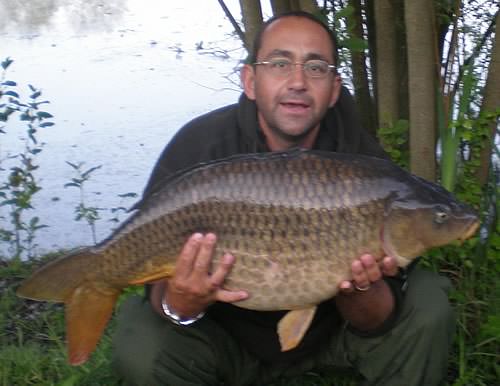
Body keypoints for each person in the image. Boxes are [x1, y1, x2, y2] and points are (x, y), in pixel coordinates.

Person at [112, 12, 455, 386]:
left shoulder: (365, 166)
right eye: (279, 63)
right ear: (250, 80)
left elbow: (375, 319)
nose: (298, 82)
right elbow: (162, 299)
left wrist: (363, 290)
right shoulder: (200, 148)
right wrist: (181, 304)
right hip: (225, 340)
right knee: (141, 337)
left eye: (316, 67)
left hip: (333, 337)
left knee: (428, 303)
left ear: (334, 88)